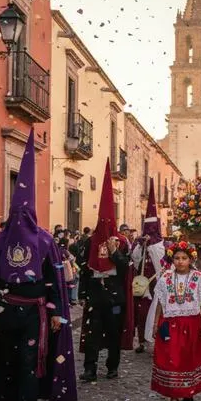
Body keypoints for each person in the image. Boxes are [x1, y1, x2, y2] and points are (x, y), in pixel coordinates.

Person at [0, 130, 77, 401]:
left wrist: (56, 312)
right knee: (8, 363)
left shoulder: (44, 240)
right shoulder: (0, 240)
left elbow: (54, 279)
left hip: (35, 315)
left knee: (30, 363)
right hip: (4, 313)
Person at [79, 160, 135, 382]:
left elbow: (126, 268)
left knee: (113, 334)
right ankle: (90, 367)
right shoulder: (90, 242)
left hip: (114, 295)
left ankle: (113, 366)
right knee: (92, 334)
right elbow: (84, 268)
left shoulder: (121, 241)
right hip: (94, 294)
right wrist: (83, 294)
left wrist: (114, 253)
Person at [145, 240, 201, 401]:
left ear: (191, 259)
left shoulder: (198, 278)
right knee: (171, 358)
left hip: (192, 323)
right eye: (177, 258)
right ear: (172, 260)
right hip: (169, 323)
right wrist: (155, 324)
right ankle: (173, 395)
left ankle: (188, 390)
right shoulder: (165, 278)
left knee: (189, 358)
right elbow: (160, 302)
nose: (180, 261)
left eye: (184, 258)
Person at [131, 180, 165, 353]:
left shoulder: (160, 244)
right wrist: (139, 245)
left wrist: (150, 244)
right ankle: (142, 341)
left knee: (160, 313)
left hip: (157, 283)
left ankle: (159, 339)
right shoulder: (140, 244)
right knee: (142, 313)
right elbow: (135, 259)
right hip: (143, 284)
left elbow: (159, 257)